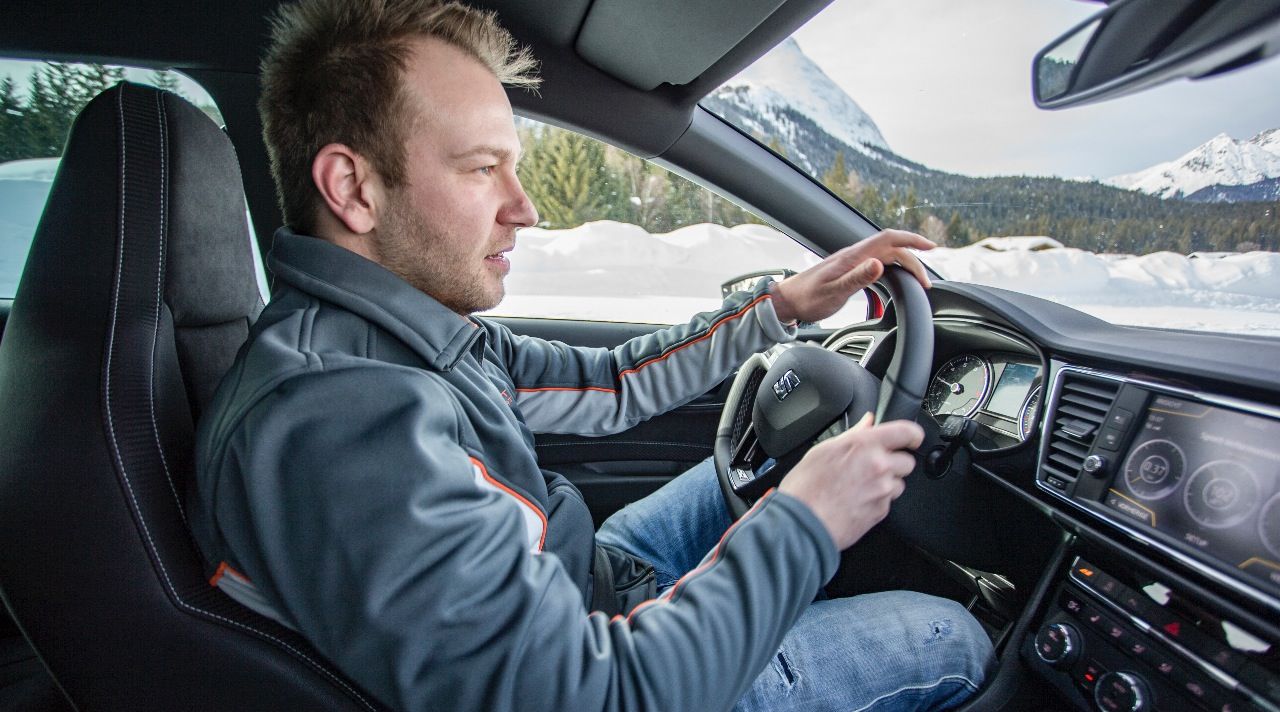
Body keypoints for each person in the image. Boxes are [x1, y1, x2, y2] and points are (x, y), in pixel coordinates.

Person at [190, 0, 994, 709]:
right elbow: (595, 697)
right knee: (951, 635)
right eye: (482, 169)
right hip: (608, 665)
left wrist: (780, 306)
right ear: (354, 189)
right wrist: (807, 523)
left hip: (580, 580)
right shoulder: (340, 420)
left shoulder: (403, 333)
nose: (526, 208)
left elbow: (610, 381)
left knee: (761, 469)